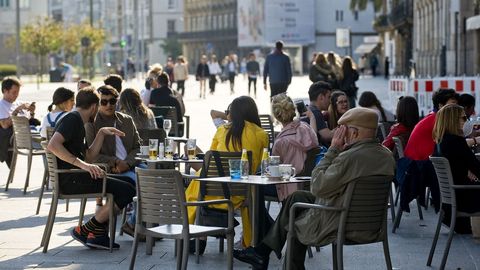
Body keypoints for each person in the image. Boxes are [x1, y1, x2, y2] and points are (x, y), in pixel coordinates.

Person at [233, 107, 395, 269]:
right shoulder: (387, 156)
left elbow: (317, 186)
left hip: (339, 222)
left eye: (342, 131)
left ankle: (265, 254)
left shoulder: (349, 158)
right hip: (369, 224)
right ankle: (262, 252)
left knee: (295, 219)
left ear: (354, 133)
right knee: (297, 198)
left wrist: (333, 150)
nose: (340, 135)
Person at [47, 87, 135, 249]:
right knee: (127, 190)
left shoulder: (77, 120)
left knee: (128, 184)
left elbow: (88, 156)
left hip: (75, 176)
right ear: (94, 107)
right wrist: (83, 165)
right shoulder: (72, 119)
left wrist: (101, 133)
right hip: (72, 179)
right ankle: (86, 229)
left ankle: (98, 235)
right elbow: (53, 145)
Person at [185, 96, 269, 248]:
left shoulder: (222, 130)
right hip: (241, 193)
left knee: (197, 185)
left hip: (209, 190)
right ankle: (249, 241)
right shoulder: (262, 134)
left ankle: (196, 235)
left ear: (234, 113)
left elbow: (209, 160)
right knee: (253, 192)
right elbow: (256, 167)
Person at [433, 104, 480, 233]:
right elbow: (477, 168)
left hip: (452, 199)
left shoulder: (441, 142)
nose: (467, 122)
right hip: (465, 197)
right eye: (463, 118)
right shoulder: (456, 142)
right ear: (453, 121)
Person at [271, 94, 318, 200]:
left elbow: (274, 172)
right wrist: (312, 118)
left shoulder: (280, 142)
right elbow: (314, 140)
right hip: (309, 185)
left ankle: (261, 217)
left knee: (256, 189)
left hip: (289, 190)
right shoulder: (306, 129)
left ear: (276, 115)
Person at [404, 88, 459, 161]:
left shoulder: (433, 117)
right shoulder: (438, 120)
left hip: (414, 163)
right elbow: (456, 144)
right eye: (452, 105)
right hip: (418, 166)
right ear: (440, 106)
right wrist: (475, 140)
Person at [0, 77, 36, 168]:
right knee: (48, 143)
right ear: (5, 91)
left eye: (18, 92)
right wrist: (17, 110)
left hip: (28, 133)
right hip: (18, 138)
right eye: (14, 92)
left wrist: (31, 112)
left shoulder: (17, 103)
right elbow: (4, 125)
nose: (16, 95)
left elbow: (29, 121)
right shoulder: (1, 105)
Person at [301, 82, 333, 146]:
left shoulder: (307, 109)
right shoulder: (316, 112)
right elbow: (327, 136)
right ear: (321, 97)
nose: (330, 101)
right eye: (329, 97)